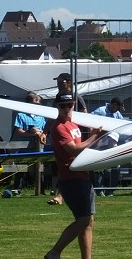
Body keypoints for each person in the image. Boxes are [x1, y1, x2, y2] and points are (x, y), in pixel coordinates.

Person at [43, 91, 106, 259]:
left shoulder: (72, 124)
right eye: (63, 106)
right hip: (71, 178)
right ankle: (55, 252)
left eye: (70, 105)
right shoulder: (59, 127)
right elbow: (75, 150)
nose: (67, 109)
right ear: (57, 106)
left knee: (88, 221)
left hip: (82, 176)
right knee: (84, 219)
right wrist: (95, 136)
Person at [45, 72, 88, 205]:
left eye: (61, 82)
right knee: (62, 165)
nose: (58, 85)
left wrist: (91, 134)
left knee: (72, 166)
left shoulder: (76, 97)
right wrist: (44, 132)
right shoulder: (57, 99)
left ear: (69, 83)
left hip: (74, 134)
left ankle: (62, 195)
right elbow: (53, 116)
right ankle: (61, 194)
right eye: (57, 82)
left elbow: (85, 115)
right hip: (63, 134)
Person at [11, 92, 47, 193]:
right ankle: (17, 188)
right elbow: (19, 130)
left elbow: (45, 130)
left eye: (38, 104)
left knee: (40, 167)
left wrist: (42, 135)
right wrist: (31, 133)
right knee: (22, 167)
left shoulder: (41, 117)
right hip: (25, 147)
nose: (37, 106)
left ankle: (41, 189)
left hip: (39, 146)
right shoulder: (21, 115)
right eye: (35, 103)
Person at [91, 97, 123, 195]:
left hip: (112, 145)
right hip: (100, 143)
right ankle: (99, 190)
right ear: (113, 104)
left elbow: (122, 126)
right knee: (99, 167)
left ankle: (110, 190)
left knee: (114, 167)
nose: (118, 110)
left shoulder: (117, 114)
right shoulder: (100, 111)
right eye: (118, 107)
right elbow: (89, 119)